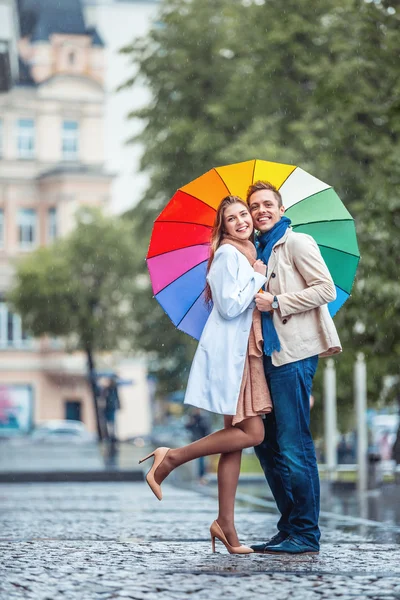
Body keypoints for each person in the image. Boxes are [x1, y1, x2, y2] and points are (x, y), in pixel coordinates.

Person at [140, 195, 273, 555]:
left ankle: (225, 524)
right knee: (253, 433)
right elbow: (230, 307)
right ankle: (172, 457)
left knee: (235, 438)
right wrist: (258, 278)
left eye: (244, 214)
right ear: (224, 227)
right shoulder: (229, 255)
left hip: (242, 353)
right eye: (232, 218)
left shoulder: (244, 253)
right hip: (234, 355)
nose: (243, 221)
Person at [246, 180, 342, 555]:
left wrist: (278, 301)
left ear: (281, 209)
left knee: (293, 443)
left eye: (267, 204)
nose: (260, 211)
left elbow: (325, 289)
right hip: (266, 357)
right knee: (266, 445)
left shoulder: (297, 243)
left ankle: (306, 532)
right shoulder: (257, 251)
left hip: (295, 353)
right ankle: (289, 527)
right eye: (254, 206)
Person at [185, 408, 211, 483]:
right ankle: (198, 477)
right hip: (194, 442)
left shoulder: (204, 419)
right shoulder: (193, 418)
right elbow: (187, 427)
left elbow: (207, 430)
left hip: (202, 442)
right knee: (196, 461)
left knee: (202, 460)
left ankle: (202, 476)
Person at [102, 376, 121, 442]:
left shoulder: (113, 389)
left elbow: (116, 397)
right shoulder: (107, 389)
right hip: (108, 407)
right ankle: (110, 435)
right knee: (109, 422)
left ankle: (112, 435)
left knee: (111, 422)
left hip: (111, 407)